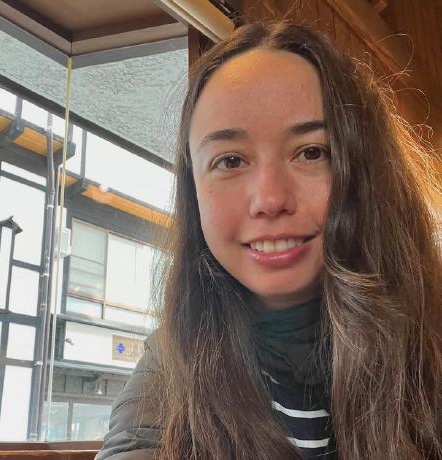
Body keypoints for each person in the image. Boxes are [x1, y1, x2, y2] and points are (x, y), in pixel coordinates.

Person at [96, 20, 442, 460]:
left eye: (312, 152)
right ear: (193, 192)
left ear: (368, 172)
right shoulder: (172, 362)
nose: (270, 199)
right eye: (230, 161)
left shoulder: (431, 341)